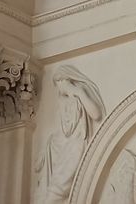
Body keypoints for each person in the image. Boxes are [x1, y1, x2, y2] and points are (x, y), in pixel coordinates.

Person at [36, 66, 105, 202]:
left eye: (60, 84)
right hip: (63, 149)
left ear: (67, 79)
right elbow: (62, 130)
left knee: (55, 192)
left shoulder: (79, 93)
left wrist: (78, 92)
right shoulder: (63, 101)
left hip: (76, 147)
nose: (60, 89)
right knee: (52, 192)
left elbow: (96, 114)